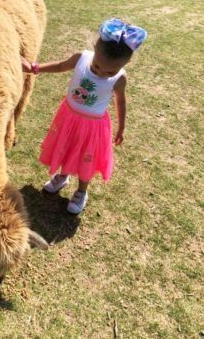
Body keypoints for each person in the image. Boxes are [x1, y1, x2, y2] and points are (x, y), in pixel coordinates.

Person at [22, 18, 147, 215]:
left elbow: (120, 102)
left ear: (126, 63)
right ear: (95, 47)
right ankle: (62, 176)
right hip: (68, 117)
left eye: (110, 71)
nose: (102, 73)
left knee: (85, 159)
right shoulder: (81, 58)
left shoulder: (119, 78)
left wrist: (121, 127)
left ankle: (81, 191)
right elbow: (60, 66)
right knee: (65, 148)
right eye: (97, 66)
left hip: (92, 127)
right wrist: (35, 68)